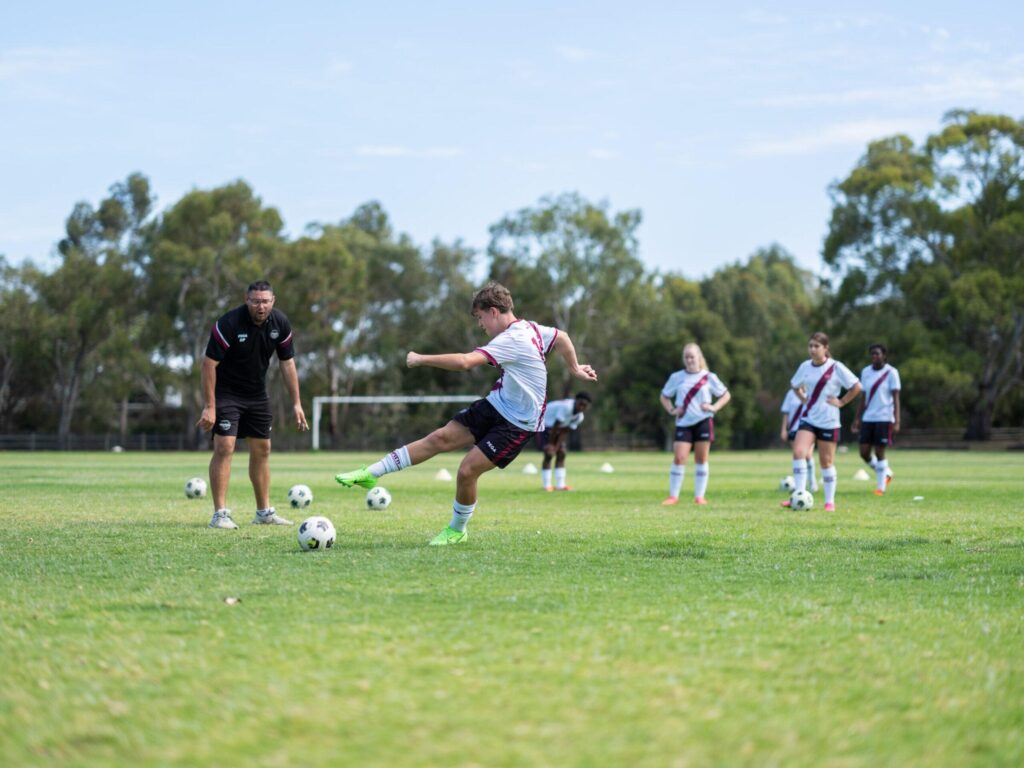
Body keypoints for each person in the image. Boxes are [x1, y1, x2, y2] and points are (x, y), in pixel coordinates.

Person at [334, 281, 598, 546]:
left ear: (494, 311)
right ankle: (371, 473)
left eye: (480, 317)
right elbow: (561, 336)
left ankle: (457, 530)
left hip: (518, 424)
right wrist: (574, 368)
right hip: (497, 404)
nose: (480, 325)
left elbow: (464, 362)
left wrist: (421, 359)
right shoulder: (531, 329)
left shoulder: (512, 338)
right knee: (439, 439)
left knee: (466, 471)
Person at [196, 280, 309, 529]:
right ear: (247, 300)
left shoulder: (280, 323)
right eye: (256, 301)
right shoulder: (229, 323)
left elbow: (287, 363)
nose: (261, 306)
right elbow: (208, 364)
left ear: (273, 301)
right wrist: (210, 406)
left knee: (263, 450)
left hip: (257, 395)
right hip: (226, 393)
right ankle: (220, 514)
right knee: (225, 446)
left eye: (265, 301)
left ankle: (264, 512)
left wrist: (297, 403)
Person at [782, 332, 862, 512]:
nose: (812, 349)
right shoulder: (804, 366)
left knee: (826, 462)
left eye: (816, 346)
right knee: (799, 451)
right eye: (810, 346)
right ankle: (799, 495)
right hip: (809, 418)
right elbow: (794, 385)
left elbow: (857, 387)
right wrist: (803, 399)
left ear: (825, 348)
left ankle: (829, 502)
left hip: (829, 421)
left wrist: (841, 402)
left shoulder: (836, 367)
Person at [659, 342, 731, 506]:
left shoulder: (709, 377)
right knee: (679, 458)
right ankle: (673, 496)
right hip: (683, 423)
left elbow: (726, 395)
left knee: (701, 458)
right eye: (686, 357)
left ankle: (699, 497)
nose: (689, 360)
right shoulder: (677, 377)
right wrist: (671, 410)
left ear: (699, 357)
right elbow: (664, 396)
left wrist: (714, 407)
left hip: (703, 421)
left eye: (692, 356)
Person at [851, 343, 901, 496]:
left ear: (884, 355)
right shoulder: (866, 372)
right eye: (872, 354)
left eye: (877, 354)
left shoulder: (892, 372)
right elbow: (863, 397)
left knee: (880, 451)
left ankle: (881, 487)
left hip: (884, 418)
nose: (874, 356)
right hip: (868, 417)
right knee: (864, 452)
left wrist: (897, 420)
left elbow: (896, 398)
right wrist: (857, 418)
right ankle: (886, 472)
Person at [538, 391, 593, 491]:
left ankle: (560, 485)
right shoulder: (566, 407)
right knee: (549, 453)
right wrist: (551, 445)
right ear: (576, 401)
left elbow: (565, 431)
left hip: (558, 428)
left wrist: (557, 446)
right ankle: (547, 486)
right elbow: (556, 425)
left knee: (562, 452)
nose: (581, 407)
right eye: (580, 404)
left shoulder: (580, 417)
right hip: (545, 424)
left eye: (584, 406)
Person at [780, 388, 818, 492]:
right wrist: (784, 429)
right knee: (799, 456)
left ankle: (812, 482)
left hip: (809, 428)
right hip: (794, 428)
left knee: (808, 455)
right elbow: (786, 413)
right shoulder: (791, 393)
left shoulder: (813, 390)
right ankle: (801, 485)